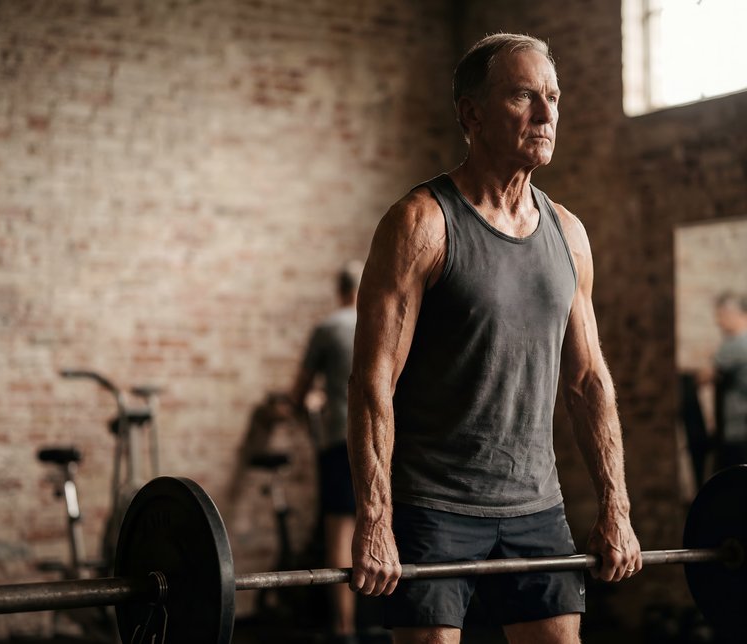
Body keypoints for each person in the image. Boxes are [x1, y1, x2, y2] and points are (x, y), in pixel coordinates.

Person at [347, 33, 642, 644]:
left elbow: (587, 382)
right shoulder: (422, 223)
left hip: (538, 505)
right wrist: (376, 516)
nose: (546, 114)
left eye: (553, 98)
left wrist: (617, 506)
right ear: (471, 114)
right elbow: (373, 379)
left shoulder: (568, 233)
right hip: (433, 506)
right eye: (523, 96)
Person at [289, 261, 364, 644]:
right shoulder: (380, 321)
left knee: (340, 529)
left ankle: (345, 628)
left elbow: (297, 395)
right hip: (390, 442)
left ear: (339, 290)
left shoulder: (328, 327)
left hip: (341, 439)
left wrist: (308, 403)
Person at [696, 292, 747, 469]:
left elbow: (703, 376)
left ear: (733, 314)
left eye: (720, 316)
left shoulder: (736, 343)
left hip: (738, 429)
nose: (718, 322)